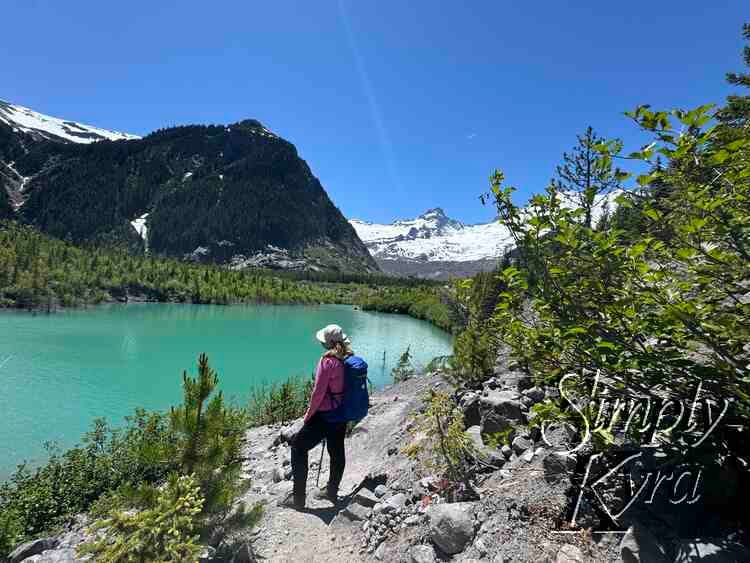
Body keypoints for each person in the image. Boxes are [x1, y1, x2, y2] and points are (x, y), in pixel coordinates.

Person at [281, 324, 351, 509]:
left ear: (327, 343)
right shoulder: (349, 357)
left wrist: (307, 416)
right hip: (342, 414)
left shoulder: (327, 361)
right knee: (337, 451)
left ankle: (298, 499)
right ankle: (331, 491)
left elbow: (318, 393)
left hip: (325, 415)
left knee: (298, 447)